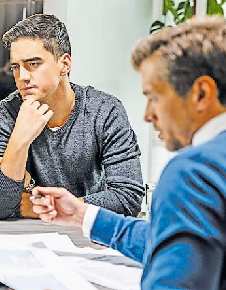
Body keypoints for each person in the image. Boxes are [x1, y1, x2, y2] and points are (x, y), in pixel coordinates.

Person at [32, 16, 226, 289]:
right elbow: (169, 242)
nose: (147, 115)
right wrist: (81, 214)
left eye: (154, 97)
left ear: (201, 93)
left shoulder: (194, 171)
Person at [0, 14, 144, 219]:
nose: (21, 76)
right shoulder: (5, 114)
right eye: (16, 67)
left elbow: (128, 198)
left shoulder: (105, 111)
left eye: (33, 64)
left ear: (64, 64)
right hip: (23, 240)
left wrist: (41, 206)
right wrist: (19, 141)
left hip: (90, 238)